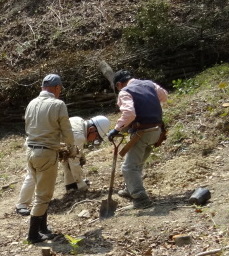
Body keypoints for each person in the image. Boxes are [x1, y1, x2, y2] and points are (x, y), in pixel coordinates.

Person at [20, 74, 76, 243]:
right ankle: (32, 235)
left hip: (30, 151)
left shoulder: (31, 103)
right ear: (57, 88)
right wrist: (71, 148)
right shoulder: (58, 104)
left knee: (40, 191)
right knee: (44, 195)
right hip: (46, 152)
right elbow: (67, 131)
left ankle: (43, 228)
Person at [15, 115, 110, 214]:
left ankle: (70, 185)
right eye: (96, 136)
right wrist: (81, 183)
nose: (94, 139)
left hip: (42, 142)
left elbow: (71, 152)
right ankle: (21, 204)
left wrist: (80, 155)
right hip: (38, 146)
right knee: (33, 174)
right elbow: (74, 163)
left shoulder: (78, 120)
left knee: (66, 159)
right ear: (91, 129)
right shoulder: (79, 136)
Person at [106, 70, 169, 209]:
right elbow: (164, 96)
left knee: (128, 167)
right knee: (137, 162)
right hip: (157, 131)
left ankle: (141, 199)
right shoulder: (149, 84)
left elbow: (129, 113)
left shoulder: (125, 91)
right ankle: (130, 188)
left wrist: (116, 129)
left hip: (142, 132)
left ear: (118, 84)